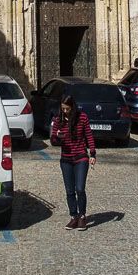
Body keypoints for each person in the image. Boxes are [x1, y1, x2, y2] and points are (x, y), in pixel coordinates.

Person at [48, 94, 96, 231]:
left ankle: (82, 216)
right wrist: (57, 137)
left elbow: (89, 136)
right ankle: (73, 216)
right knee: (69, 191)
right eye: (63, 109)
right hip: (66, 159)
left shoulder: (82, 118)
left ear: (72, 107)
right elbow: (53, 140)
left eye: (67, 109)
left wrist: (92, 153)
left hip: (81, 157)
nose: (65, 111)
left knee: (79, 188)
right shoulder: (58, 119)